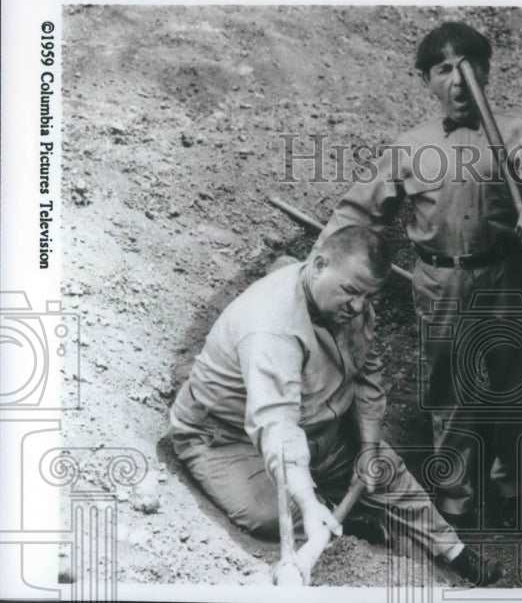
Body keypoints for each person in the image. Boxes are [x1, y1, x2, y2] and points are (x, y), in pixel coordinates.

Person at [168, 225, 504, 586]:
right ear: (318, 265)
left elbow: (367, 376)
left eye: (368, 296)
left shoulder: (353, 307)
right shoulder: (270, 327)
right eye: (350, 291)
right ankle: (336, 515)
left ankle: (454, 552)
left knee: (387, 472)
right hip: (227, 436)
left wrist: (369, 450)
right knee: (267, 513)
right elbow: (276, 426)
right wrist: (308, 503)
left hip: (318, 425)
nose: (358, 306)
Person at [314, 21, 522, 531]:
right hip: (440, 284)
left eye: (469, 67)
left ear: (487, 72)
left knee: (511, 382)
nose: (459, 81)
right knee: (451, 388)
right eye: (445, 69)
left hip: (508, 279)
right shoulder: (410, 146)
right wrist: (318, 262)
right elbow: (359, 211)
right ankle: (455, 499)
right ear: (426, 80)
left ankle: (512, 489)